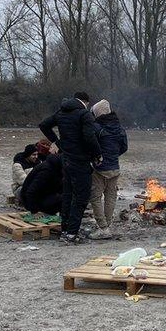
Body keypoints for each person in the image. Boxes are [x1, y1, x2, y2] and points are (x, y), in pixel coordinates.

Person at [39, 91, 100, 243]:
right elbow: (89, 136)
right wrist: (97, 154)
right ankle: (72, 233)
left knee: (68, 195)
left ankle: (65, 230)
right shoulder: (84, 114)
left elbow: (44, 125)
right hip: (80, 160)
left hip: (66, 159)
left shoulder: (61, 112)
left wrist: (58, 142)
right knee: (81, 197)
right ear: (86, 102)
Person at [87, 99, 128, 240]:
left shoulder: (97, 128)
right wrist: (113, 156)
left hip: (100, 168)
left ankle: (103, 228)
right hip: (115, 167)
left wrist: (95, 158)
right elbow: (124, 147)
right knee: (111, 197)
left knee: (95, 197)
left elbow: (91, 145)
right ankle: (107, 225)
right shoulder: (119, 128)